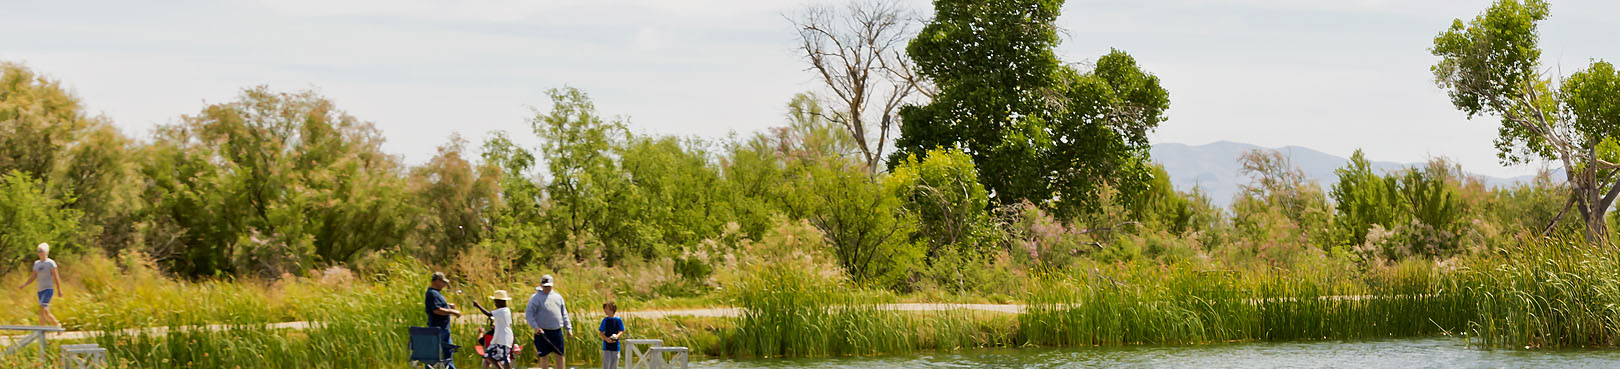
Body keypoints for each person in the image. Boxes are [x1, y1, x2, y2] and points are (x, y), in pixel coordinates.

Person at [525, 274, 572, 369]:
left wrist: (569, 328)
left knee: (560, 355)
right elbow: (529, 314)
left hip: (556, 330)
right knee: (544, 356)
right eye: (545, 286)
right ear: (541, 285)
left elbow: (564, 313)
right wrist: (535, 326)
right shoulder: (535, 298)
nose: (547, 288)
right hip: (542, 332)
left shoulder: (558, 297)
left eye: (549, 286)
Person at [18, 243, 62, 326]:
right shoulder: (37, 263)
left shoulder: (50, 263)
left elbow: (56, 277)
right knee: (45, 312)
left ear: (45, 252)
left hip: (48, 289)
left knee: (41, 309)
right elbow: (33, 276)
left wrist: (59, 289)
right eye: (38, 251)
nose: (39, 253)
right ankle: (57, 325)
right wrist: (25, 284)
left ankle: (42, 330)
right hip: (40, 290)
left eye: (41, 251)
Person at [425, 272, 462, 369]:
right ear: (437, 281)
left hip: (442, 329)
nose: (444, 285)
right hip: (438, 329)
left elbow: (438, 305)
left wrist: (448, 305)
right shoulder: (432, 293)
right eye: (443, 282)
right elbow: (436, 310)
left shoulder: (435, 293)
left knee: (447, 352)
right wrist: (452, 311)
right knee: (440, 353)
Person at [472, 290, 516, 369]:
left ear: (499, 302)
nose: (495, 304)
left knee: (504, 359)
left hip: (504, 338)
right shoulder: (502, 311)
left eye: (495, 301)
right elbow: (500, 323)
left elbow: (488, 314)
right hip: (497, 338)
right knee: (488, 355)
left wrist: (477, 305)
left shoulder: (503, 310)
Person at [598, 301, 626, 369]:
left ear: (612, 309)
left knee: (614, 364)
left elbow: (622, 330)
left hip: (616, 346)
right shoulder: (605, 320)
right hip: (606, 346)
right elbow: (600, 332)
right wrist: (606, 339)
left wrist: (616, 337)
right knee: (606, 364)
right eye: (604, 308)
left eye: (606, 308)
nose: (605, 310)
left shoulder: (618, 320)